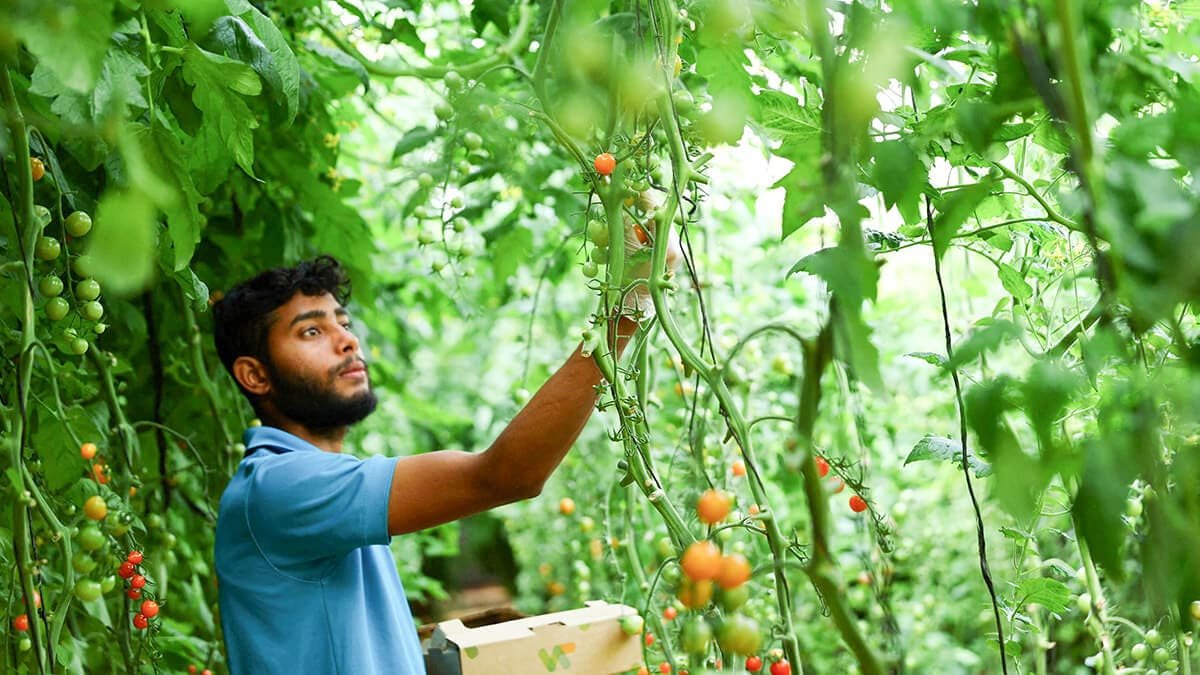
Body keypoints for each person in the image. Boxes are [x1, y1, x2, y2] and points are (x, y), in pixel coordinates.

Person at [210, 226, 681, 673]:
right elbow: (504, 476)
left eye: (344, 323)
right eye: (311, 332)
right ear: (255, 375)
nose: (347, 340)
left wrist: (453, 642)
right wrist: (625, 311)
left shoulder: (308, 487)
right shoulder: (281, 487)